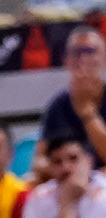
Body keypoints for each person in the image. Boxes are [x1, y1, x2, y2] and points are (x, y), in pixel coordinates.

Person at [39, 26, 106, 166]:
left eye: (89, 51)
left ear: (103, 57)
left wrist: (87, 113)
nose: (82, 58)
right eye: (75, 52)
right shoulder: (58, 104)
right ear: (66, 60)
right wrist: (67, 170)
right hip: (69, 180)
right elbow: (40, 160)